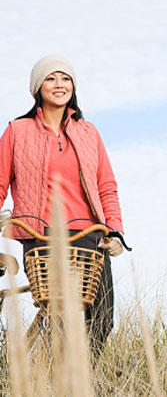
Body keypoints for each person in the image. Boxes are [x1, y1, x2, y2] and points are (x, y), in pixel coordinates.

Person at [0, 55, 124, 353]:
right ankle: (59, 373)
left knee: (102, 317)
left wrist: (115, 231)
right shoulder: (18, 131)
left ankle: (86, 373)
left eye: (65, 78)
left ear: (73, 86)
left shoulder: (88, 132)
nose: (59, 84)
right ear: (37, 87)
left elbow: (107, 186)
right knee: (59, 318)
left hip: (89, 234)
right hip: (42, 235)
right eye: (51, 78)